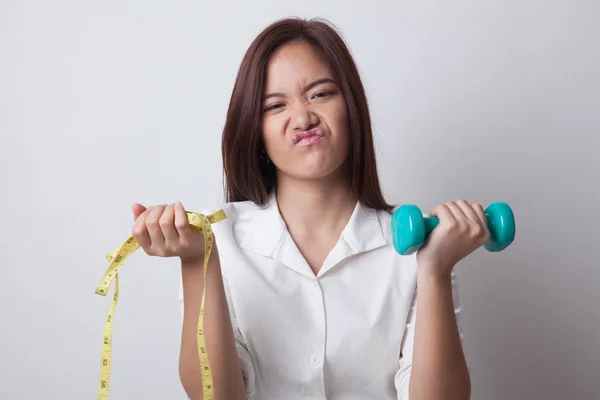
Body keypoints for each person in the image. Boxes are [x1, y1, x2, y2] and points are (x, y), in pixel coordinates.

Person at [131, 17, 488, 400]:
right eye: (275, 105)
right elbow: (217, 396)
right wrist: (196, 263)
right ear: (254, 130)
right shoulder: (217, 240)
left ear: (352, 108)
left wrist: (435, 271)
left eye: (320, 94)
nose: (302, 117)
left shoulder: (419, 250)